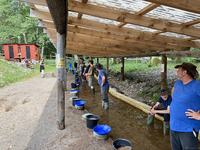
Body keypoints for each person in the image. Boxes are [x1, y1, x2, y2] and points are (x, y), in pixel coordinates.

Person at [170, 62, 200, 150]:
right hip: (174, 127)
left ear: (185, 72)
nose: (176, 71)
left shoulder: (197, 86)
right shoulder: (178, 84)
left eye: (178, 69)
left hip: (188, 129)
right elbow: (173, 93)